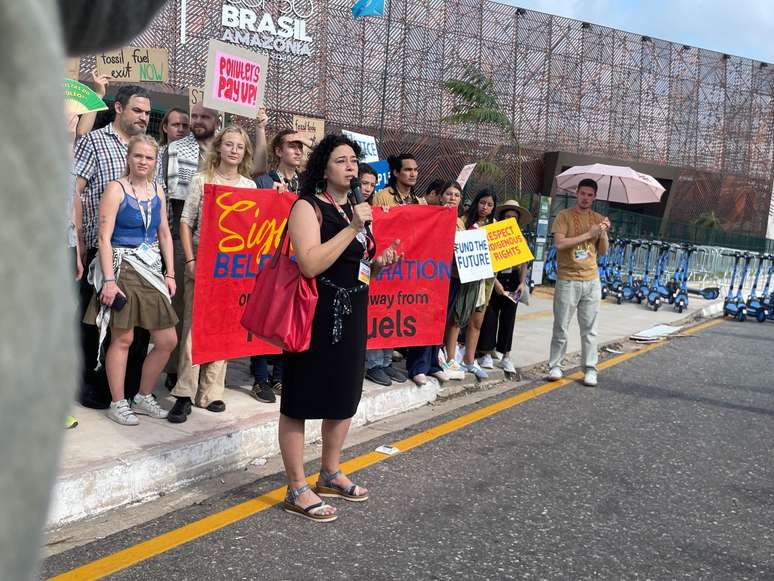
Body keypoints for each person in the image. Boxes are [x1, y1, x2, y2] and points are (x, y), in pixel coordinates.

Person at [279, 134, 401, 522]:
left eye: (354, 160)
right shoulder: (308, 207)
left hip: (352, 311)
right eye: (342, 160)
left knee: (345, 394)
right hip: (313, 314)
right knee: (300, 399)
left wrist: (379, 263)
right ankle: (297, 487)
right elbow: (310, 264)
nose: (351, 167)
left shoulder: (358, 208)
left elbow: (356, 263)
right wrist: (351, 228)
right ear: (324, 169)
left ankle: (330, 472)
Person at [83, 134, 177, 425]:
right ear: (129, 156)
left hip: (151, 268)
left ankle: (142, 395)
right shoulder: (116, 188)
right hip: (122, 266)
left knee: (167, 340)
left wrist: (170, 272)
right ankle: (118, 402)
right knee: (123, 338)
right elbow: (104, 237)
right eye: (138, 156)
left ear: (154, 161)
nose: (143, 162)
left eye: (149, 157)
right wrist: (109, 280)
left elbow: (164, 233)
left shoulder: (158, 190)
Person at [168, 126, 257, 422]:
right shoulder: (201, 181)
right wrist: (190, 260)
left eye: (239, 146)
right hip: (203, 261)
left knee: (223, 328)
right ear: (218, 148)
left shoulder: (249, 187)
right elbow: (185, 222)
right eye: (229, 144)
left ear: (244, 153)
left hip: (233, 267)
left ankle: (211, 393)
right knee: (194, 327)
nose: (233, 150)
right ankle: (184, 392)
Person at [73, 84, 154, 408]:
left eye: (147, 112)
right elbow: (75, 190)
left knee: (136, 328)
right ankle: (93, 388)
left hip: (140, 256)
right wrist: (79, 239)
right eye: (137, 110)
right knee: (97, 324)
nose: (144, 117)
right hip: (100, 249)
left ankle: (129, 389)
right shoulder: (94, 141)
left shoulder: (149, 148)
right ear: (118, 108)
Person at [251, 126, 311, 400]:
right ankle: (260, 377)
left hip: (296, 259)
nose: (298, 151)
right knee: (266, 312)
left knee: (289, 314)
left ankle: (280, 376)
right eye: (292, 145)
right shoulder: (264, 181)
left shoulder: (306, 185)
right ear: (278, 150)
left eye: (301, 146)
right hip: (267, 257)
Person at [548, 178, 610, 386]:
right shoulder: (564, 216)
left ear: (594, 197)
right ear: (577, 194)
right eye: (583, 193)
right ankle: (555, 365)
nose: (586, 198)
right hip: (567, 279)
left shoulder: (598, 218)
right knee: (561, 326)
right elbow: (559, 243)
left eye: (590, 195)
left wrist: (603, 234)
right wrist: (588, 233)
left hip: (591, 279)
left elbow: (602, 252)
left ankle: (590, 368)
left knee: (590, 328)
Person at [476, 199, 533, 374]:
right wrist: (496, 283)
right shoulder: (492, 235)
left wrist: (522, 283)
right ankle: (486, 352)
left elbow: (524, 263)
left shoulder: (520, 237)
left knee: (509, 319)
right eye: (507, 216)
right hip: (495, 280)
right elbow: (486, 262)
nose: (510, 220)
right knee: (490, 317)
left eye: (514, 218)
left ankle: (506, 355)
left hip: (513, 281)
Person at [449, 190, 497, 380]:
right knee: (457, 319)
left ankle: (469, 360)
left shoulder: (495, 227)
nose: (485, 207)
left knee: (477, 321)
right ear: (476, 202)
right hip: (465, 278)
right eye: (482, 203)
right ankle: (451, 358)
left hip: (485, 281)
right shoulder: (462, 222)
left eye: (490, 204)